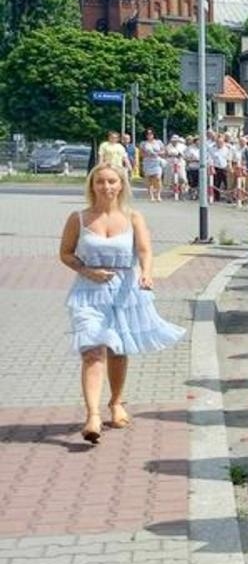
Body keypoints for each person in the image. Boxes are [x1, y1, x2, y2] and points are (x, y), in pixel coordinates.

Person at [58, 165, 185, 443]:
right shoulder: (78, 218)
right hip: (88, 291)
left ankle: (116, 402)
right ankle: (92, 415)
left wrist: (147, 274)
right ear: (92, 186)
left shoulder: (133, 217)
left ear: (121, 185)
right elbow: (65, 254)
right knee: (92, 350)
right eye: (100, 182)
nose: (106, 187)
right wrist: (87, 271)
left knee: (117, 349)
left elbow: (145, 250)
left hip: (125, 290)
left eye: (112, 181)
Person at [139, 130, 164, 203]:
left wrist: (157, 153)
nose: (149, 135)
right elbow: (141, 154)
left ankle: (158, 195)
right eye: (148, 134)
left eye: (151, 134)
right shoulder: (143, 143)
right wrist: (147, 154)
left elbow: (163, 151)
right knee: (149, 179)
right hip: (147, 162)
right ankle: (151, 196)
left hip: (156, 161)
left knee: (158, 178)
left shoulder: (158, 142)